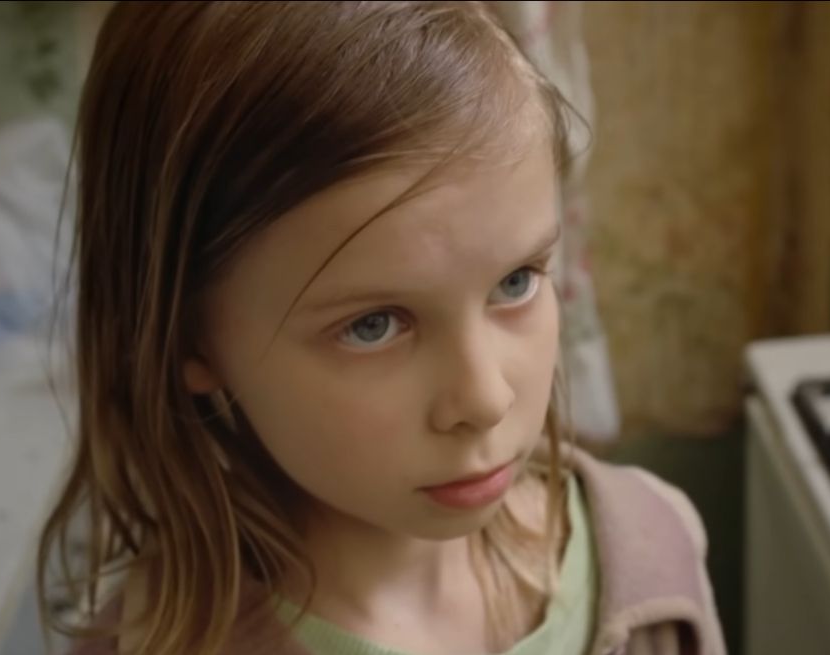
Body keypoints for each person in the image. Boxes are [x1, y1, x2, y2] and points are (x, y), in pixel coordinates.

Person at [38, 2, 726, 654]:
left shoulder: (655, 556)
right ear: (188, 336)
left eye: (516, 282)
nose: (484, 399)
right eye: (372, 326)